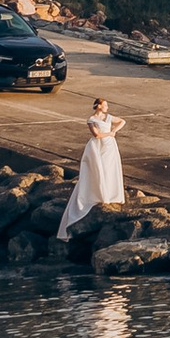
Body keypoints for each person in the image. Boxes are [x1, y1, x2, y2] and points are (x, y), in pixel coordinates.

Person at [57, 97, 126, 240]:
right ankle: (100, 194)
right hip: (98, 146)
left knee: (109, 169)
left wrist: (114, 130)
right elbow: (97, 135)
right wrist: (110, 134)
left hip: (109, 146)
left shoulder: (108, 117)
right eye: (105, 105)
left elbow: (122, 121)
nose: (107, 107)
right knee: (98, 169)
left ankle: (110, 193)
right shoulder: (92, 119)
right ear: (99, 106)